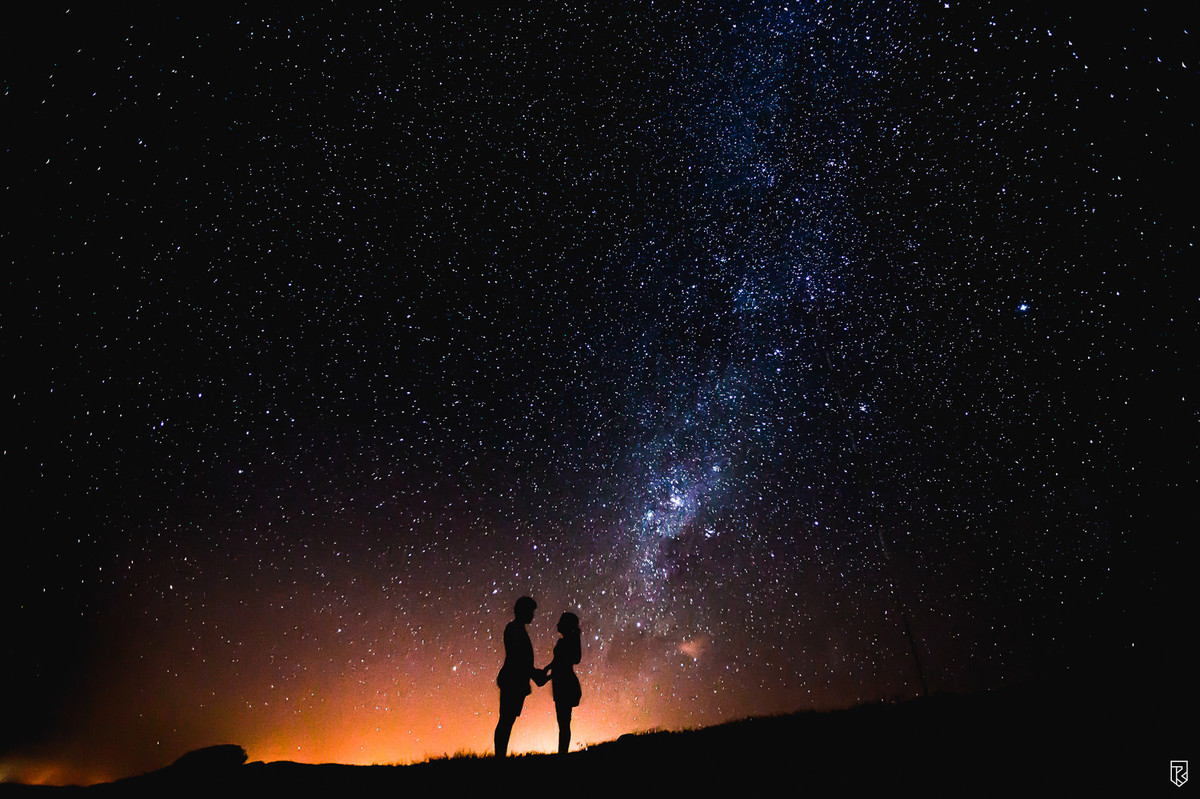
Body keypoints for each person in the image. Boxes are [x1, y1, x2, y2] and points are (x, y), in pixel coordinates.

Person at [494, 596, 545, 757]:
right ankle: (500, 757)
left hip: (514, 680)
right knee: (506, 721)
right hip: (513, 681)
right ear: (522, 611)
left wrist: (533, 673)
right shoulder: (515, 629)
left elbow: (520, 658)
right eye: (531, 611)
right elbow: (518, 657)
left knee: (507, 720)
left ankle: (500, 756)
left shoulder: (517, 629)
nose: (533, 615)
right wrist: (534, 674)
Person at [544, 611, 582, 755]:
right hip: (562, 681)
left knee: (564, 723)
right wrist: (546, 670)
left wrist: (546, 675)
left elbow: (561, 664)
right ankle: (562, 754)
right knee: (564, 722)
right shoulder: (567, 641)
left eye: (561, 622)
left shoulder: (567, 642)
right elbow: (557, 662)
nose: (557, 624)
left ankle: (562, 755)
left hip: (564, 683)